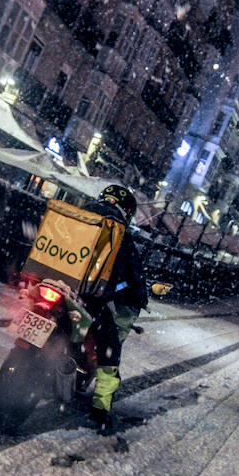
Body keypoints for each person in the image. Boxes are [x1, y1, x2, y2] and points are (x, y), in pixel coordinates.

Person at [81, 184, 150, 434]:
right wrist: (140, 296)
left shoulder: (77, 215)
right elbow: (133, 276)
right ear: (127, 212)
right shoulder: (120, 234)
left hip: (51, 283)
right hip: (88, 300)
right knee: (110, 350)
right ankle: (100, 409)